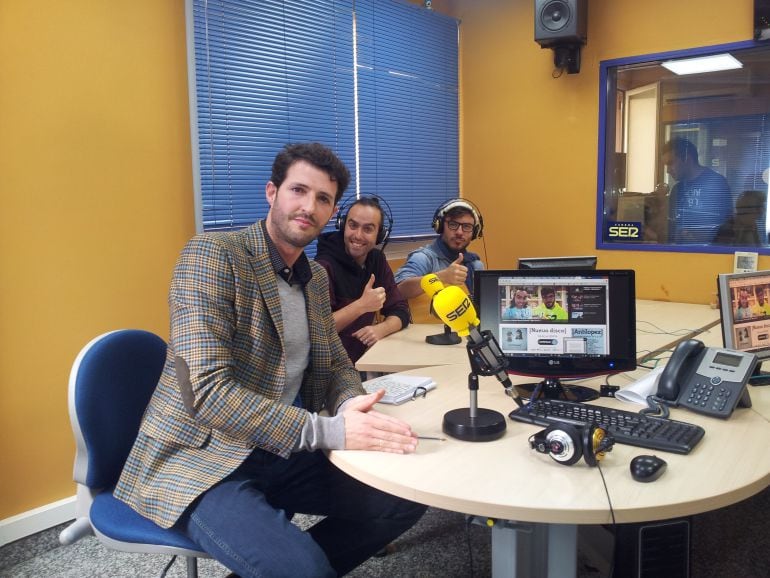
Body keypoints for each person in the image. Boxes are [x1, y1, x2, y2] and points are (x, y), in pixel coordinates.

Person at [114, 143, 426, 578]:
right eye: (298, 190)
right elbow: (206, 393)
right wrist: (329, 430)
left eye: (323, 199)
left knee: (405, 496)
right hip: (204, 458)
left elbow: (336, 364)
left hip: (278, 449)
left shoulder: (314, 277)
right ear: (271, 192)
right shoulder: (212, 257)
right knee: (303, 569)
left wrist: (350, 404)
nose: (308, 206)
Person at [315, 197, 410, 364]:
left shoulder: (376, 260)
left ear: (380, 234)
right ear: (343, 225)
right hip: (327, 368)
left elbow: (400, 310)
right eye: (353, 225)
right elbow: (317, 330)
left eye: (368, 229)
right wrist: (362, 306)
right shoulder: (323, 267)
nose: (358, 235)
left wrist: (381, 329)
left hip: (363, 362)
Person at [394, 199, 485, 298]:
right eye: (453, 224)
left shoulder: (475, 265)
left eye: (467, 227)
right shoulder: (424, 258)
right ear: (440, 226)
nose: (459, 232)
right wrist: (442, 277)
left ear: (474, 233)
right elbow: (397, 291)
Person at [661, 137, 732, 243]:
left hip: (710, 253)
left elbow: (726, 224)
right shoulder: (677, 190)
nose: (668, 170)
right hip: (679, 253)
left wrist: (700, 236)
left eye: (671, 163)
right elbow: (672, 225)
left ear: (687, 158)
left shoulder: (716, 183)